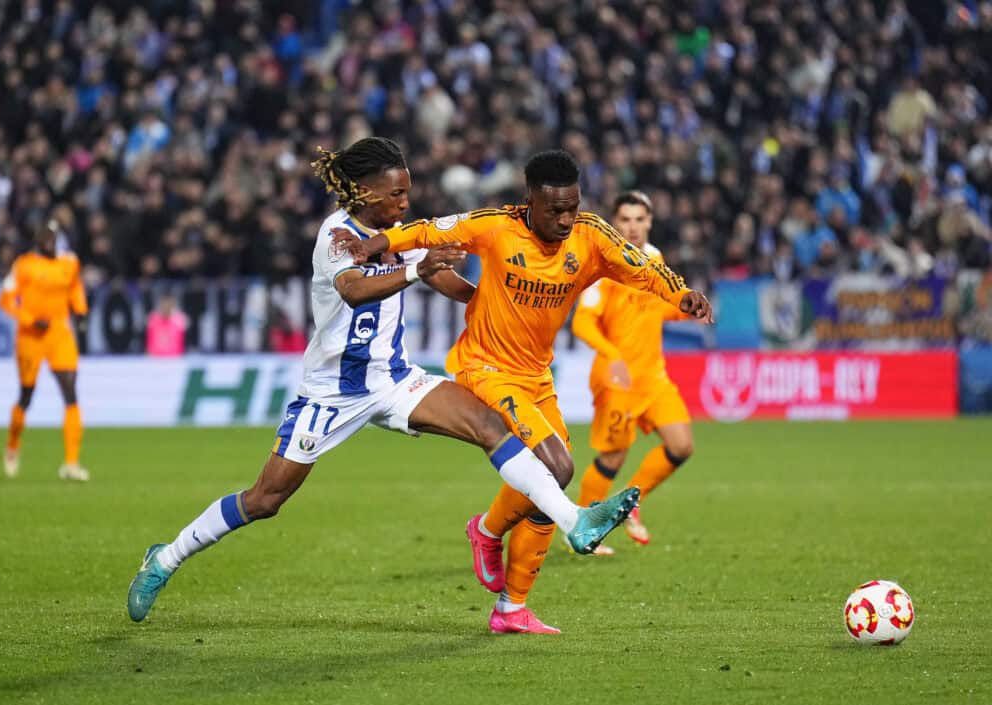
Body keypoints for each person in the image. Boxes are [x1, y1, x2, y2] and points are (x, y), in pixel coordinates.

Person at [126, 138, 638, 623]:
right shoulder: (336, 237)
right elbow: (352, 290)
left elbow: (436, 273)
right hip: (332, 393)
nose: (404, 201)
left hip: (394, 381)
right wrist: (418, 272)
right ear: (366, 191)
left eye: (407, 191)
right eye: (396, 193)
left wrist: (487, 301)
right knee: (266, 500)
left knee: (489, 424)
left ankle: (575, 522)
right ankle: (166, 558)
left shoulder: (397, 234)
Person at [338, 150, 713, 634]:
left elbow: (643, 267)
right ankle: (491, 531)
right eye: (554, 209)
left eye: (572, 208)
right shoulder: (495, 226)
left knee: (550, 478)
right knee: (557, 466)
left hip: (537, 375)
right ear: (528, 201)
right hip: (485, 367)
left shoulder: (592, 236)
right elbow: (429, 229)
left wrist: (680, 293)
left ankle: (510, 605)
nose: (564, 219)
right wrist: (376, 244)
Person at [571, 191, 696, 554]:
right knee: (613, 457)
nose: (633, 226)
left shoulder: (655, 258)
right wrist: (612, 355)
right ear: (614, 222)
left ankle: (631, 504)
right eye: (625, 219)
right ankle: (584, 527)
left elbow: (660, 307)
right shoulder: (601, 265)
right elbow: (582, 322)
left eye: (640, 219)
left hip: (653, 376)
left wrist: (686, 306)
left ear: (650, 221)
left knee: (681, 445)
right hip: (616, 379)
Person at [0, 219, 89, 481]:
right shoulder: (24, 265)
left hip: (59, 333)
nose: (50, 246)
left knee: (70, 391)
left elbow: (76, 289)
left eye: (53, 241)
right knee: (26, 395)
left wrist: (80, 312)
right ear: (38, 243)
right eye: (45, 242)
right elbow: (5, 300)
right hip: (30, 337)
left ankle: (71, 463)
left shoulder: (69, 263)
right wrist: (28, 319)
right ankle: (13, 445)